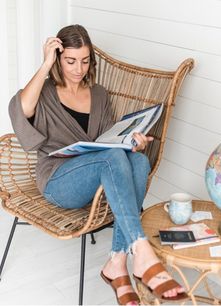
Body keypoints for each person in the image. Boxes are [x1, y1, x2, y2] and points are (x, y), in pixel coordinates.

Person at [9, 24, 188, 305]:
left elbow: (108, 141)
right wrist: (45, 64)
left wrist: (132, 142)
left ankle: (116, 263)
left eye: (84, 60)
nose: (78, 68)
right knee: (113, 157)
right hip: (57, 180)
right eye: (70, 61)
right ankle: (141, 251)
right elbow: (22, 109)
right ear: (57, 59)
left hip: (95, 174)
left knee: (138, 160)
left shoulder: (100, 94)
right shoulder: (44, 92)